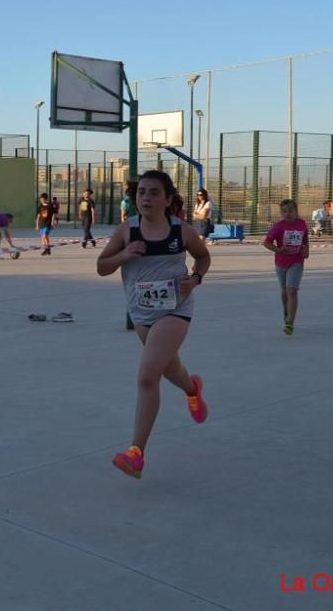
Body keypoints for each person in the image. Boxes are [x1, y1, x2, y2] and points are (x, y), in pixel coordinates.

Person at [97, 170, 212, 480]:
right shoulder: (127, 230)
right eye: (142, 192)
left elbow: (202, 257)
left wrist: (196, 279)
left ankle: (136, 452)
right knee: (169, 368)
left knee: (148, 376)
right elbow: (101, 267)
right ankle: (192, 388)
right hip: (142, 313)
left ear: (167, 199)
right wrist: (123, 254)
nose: (145, 198)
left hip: (176, 309)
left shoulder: (181, 231)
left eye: (153, 193)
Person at [262, 198, 309, 336]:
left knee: (292, 291)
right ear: (281, 213)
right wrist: (278, 249)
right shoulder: (278, 226)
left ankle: (290, 322)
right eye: (284, 211)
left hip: (297, 262)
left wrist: (306, 249)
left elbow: (305, 239)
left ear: (296, 211)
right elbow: (267, 243)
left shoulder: (302, 224)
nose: (287, 214)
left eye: (290, 211)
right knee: (284, 292)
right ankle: (286, 312)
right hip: (281, 263)